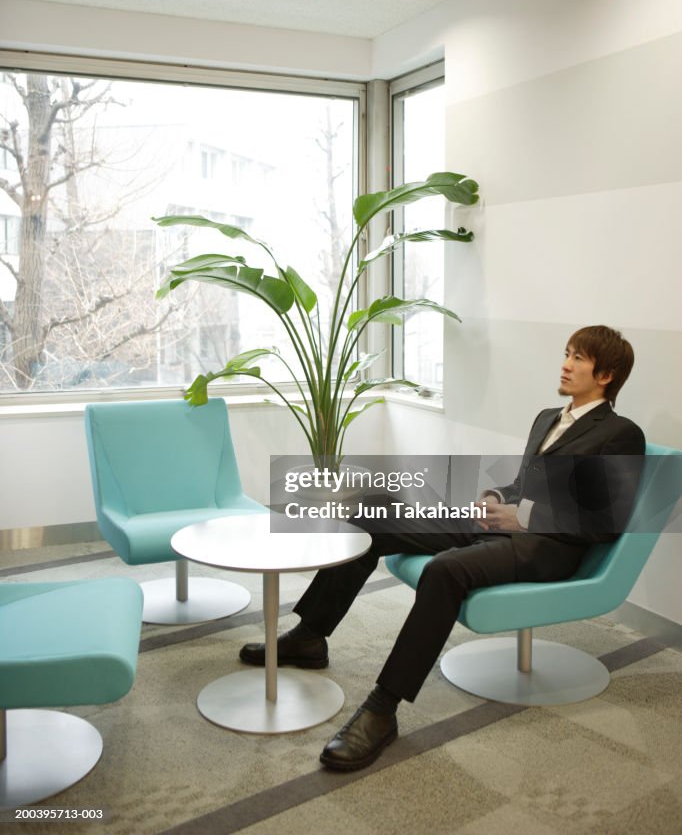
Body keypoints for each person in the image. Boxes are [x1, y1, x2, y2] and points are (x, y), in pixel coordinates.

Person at [240, 325, 645, 770]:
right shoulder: (548, 417)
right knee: (373, 515)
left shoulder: (621, 434)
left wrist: (524, 517)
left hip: (549, 548)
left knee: (444, 570)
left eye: (578, 359)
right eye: (567, 353)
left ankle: (382, 709)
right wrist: (496, 499)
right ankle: (310, 636)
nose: (565, 364)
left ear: (606, 374)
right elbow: (521, 485)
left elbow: (607, 522)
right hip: (500, 525)